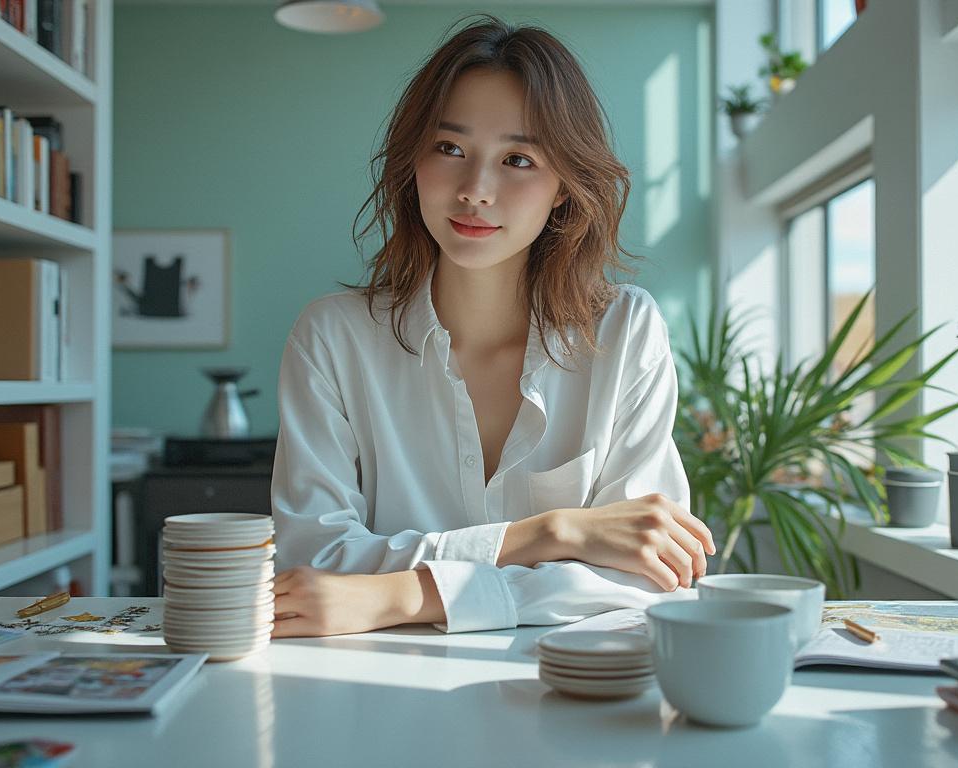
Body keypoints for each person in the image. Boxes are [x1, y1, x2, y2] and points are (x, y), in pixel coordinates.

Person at [270, 15, 716, 638]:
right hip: (376, 698)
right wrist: (550, 534)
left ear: (564, 186)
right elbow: (311, 562)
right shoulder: (332, 337)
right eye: (449, 149)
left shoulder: (624, 330)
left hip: (567, 697)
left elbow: (641, 577)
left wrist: (400, 595)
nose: (476, 190)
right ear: (413, 164)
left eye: (518, 159)